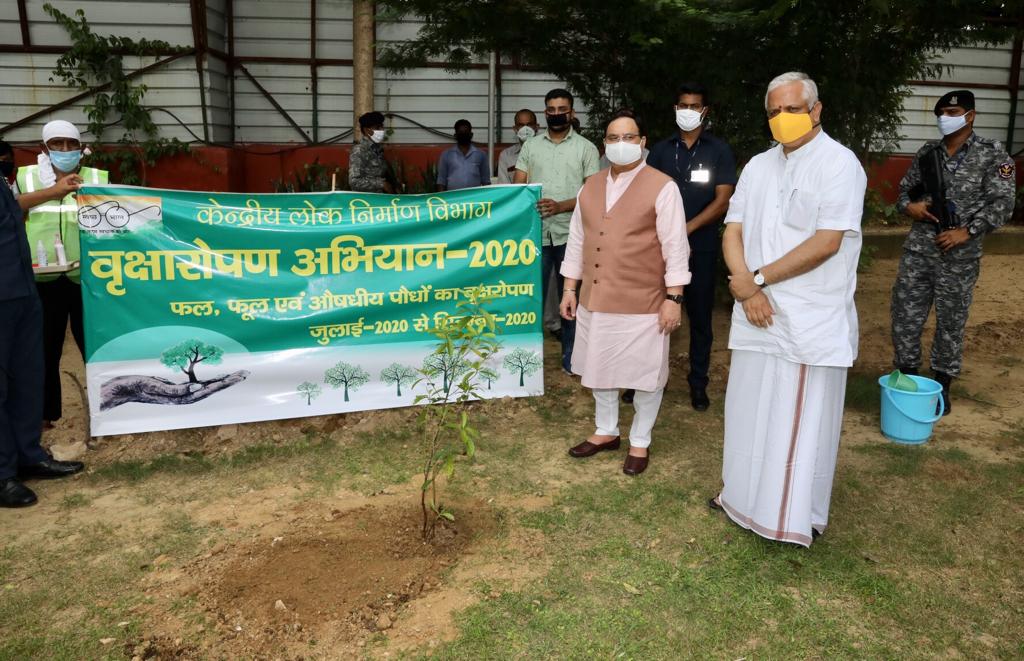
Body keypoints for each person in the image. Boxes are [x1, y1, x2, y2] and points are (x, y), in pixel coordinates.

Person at [712, 72, 866, 546]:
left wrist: (756, 281)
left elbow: (826, 243)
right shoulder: (758, 165)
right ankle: (738, 498)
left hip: (805, 319)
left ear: (816, 110)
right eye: (774, 111)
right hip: (755, 311)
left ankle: (790, 517)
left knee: (796, 421)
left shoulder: (840, 164)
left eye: (793, 109)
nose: (783, 119)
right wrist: (746, 288)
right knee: (747, 409)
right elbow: (733, 229)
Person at [560, 111, 690, 476]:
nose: (621, 144)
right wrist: (570, 287)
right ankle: (606, 431)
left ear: (643, 142)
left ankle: (640, 440)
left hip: (644, 302)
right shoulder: (591, 186)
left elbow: (675, 247)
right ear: (604, 144)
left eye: (629, 137)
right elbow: (577, 241)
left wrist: (674, 298)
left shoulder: (663, 187)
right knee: (598, 369)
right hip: (595, 299)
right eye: (614, 137)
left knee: (646, 374)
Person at [891, 90, 1015, 415]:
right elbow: (904, 193)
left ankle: (941, 386)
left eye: (953, 111)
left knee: (951, 322)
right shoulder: (927, 152)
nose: (946, 117)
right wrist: (911, 208)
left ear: (970, 115)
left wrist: (967, 231)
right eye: (942, 112)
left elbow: (1004, 203)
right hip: (919, 250)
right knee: (905, 316)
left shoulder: (992, 154)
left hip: (958, 256)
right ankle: (907, 379)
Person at [624, 82, 737, 411]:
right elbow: (645, 195)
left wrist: (685, 229)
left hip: (700, 246)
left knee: (700, 317)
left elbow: (723, 200)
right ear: (675, 109)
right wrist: (667, 234)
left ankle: (698, 383)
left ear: (705, 111)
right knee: (650, 315)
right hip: (657, 249)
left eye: (694, 106)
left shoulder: (718, 150)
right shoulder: (660, 150)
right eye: (682, 105)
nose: (687, 111)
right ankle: (637, 379)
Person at [0, 141, 85, 508]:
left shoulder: (5, 182)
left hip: (22, 288)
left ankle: (28, 455)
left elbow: (14, 210)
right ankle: (3, 473)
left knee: (27, 378)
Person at [15, 120, 108, 430]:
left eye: (71, 144)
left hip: (88, 279)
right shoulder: (26, 177)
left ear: (81, 148)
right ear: (45, 148)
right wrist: (53, 191)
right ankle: (43, 415)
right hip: (43, 280)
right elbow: (12, 208)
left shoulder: (96, 178)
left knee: (95, 345)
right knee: (43, 348)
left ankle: (105, 410)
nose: (65, 150)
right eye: (57, 144)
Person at [514, 88, 600, 372]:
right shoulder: (531, 147)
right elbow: (518, 188)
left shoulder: (586, 148)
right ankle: (524, 362)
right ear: (545, 113)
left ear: (572, 112)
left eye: (562, 109)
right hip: (534, 236)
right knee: (528, 298)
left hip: (571, 236)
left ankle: (571, 360)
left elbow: (593, 196)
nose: (556, 114)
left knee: (571, 298)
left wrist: (561, 206)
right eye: (551, 109)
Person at [436, 119, 491, 190]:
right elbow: (441, 180)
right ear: (455, 135)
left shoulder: (481, 154)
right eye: (460, 132)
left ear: (471, 135)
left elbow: (485, 180)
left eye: (466, 132)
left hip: (474, 198)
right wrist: (441, 200)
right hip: (453, 198)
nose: (463, 134)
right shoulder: (446, 154)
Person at [349, 111, 395, 194]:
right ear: (367, 130)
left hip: (380, 198)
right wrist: (381, 184)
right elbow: (354, 181)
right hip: (367, 201)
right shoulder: (359, 150)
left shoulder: (377, 149)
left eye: (382, 127)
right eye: (377, 127)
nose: (382, 130)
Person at [496, 109, 539, 184]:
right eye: (521, 125)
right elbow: (504, 186)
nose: (525, 129)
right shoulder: (506, 155)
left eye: (529, 124)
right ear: (515, 129)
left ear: (536, 127)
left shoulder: (548, 150)